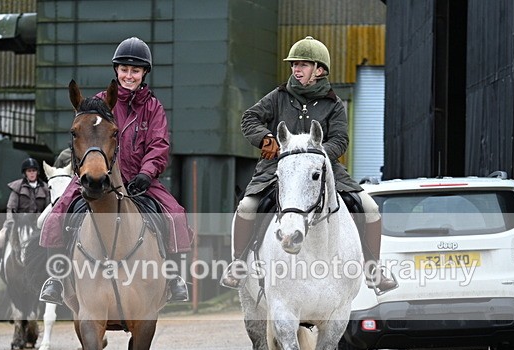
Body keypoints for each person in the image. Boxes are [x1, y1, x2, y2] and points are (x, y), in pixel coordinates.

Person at [219, 36, 398, 294]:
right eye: (294, 65)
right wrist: (265, 138)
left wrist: (317, 156)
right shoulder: (278, 96)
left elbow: (341, 139)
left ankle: (373, 268)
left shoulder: (334, 104)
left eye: (302, 65)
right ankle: (238, 263)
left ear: (319, 70)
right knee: (247, 205)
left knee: (369, 208)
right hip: (278, 166)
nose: (296, 70)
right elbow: (249, 118)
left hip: (322, 168)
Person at [39, 36, 191, 304]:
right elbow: (85, 137)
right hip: (96, 173)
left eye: (135, 70)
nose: (129, 75)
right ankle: (56, 278)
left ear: (144, 73)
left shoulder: (153, 107)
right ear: (116, 71)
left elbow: (159, 143)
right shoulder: (98, 103)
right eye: (124, 69)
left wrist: (146, 173)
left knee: (176, 215)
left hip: (141, 177)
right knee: (57, 215)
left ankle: (173, 276)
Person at [0, 157, 50, 283]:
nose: (32, 173)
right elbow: (11, 207)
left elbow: (47, 207)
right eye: (29, 171)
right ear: (25, 173)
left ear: (37, 172)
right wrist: (10, 222)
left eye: (34, 171)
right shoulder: (17, 187)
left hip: (37, 224)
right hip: (18, 222)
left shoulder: (45, 188)